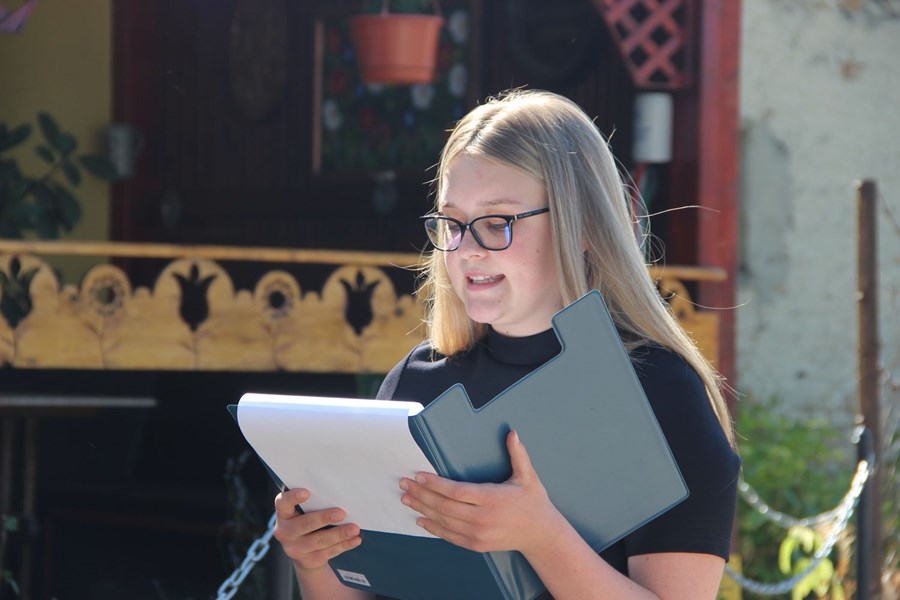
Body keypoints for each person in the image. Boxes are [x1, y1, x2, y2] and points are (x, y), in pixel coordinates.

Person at [273, 89, 740, 600]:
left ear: (582, 224)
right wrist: (314, 559)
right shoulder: (414, 384)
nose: (467, 250)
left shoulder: (660, 392)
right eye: (452, 223)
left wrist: (541, 537)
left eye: (496, 223)